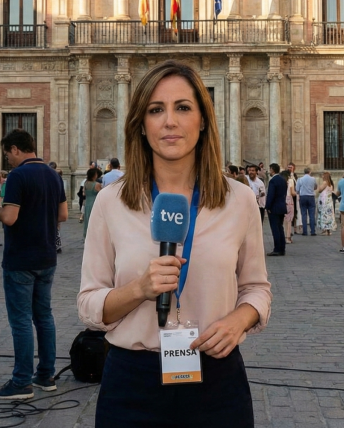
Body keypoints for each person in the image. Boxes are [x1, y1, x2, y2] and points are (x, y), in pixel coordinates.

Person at [77, 59, 271, 428]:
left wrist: (239, 320)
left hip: (217, 378)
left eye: (183, 107)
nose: (170, 121)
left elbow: (256, 289)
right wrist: (139, 289)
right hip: (132, 383)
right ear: (141, 125)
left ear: (202, 120)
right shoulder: (110, 202)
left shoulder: (239, 200)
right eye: (155, 109)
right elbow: (89, 304)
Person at [0, 129, 67, 400]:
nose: (7, 158)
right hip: (47, 256)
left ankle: (21, 381)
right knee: (44, 317)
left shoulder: (19, 175)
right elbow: (63, 215)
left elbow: (9, 218)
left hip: (21, 258)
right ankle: (46, 375)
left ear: (16, 149)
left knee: (20, 320)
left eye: (7, 152)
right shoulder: (53, 175)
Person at [265, 163, 288, 256]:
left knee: (275, 229)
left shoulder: (273, 181)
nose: (269, 171)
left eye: (270, 169)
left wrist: (268, 206)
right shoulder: (283, 180)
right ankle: (282, 248)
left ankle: (277, 249)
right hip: (282, 206)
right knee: (280, 228)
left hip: (274, 208)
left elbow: (271, 195)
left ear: (272, 170)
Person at [295, 168, 318, 237]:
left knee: (304, 214)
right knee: (311, 215)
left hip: (303, 197)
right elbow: (315, 187)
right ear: (310, 172)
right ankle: (313, 231)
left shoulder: (300, 179)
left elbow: (297, 189)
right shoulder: (313, 179)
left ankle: (305, 231)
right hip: (311, 197)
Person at [82, 168, 99, 237]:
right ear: (94, 175)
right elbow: (101, 193)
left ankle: (87, 234)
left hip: (87, 203)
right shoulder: (97, 184)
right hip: (94, 203)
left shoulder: (86, 183)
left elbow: (84, 194)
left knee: (87, 220)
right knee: (95, 221)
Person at [318, 172, 337, 236]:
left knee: (324, 214)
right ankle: (328, 231)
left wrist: (319, 186)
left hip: (324, 201)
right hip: (329, 201)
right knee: (328, 215)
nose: (322, 177)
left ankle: (325, 230)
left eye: (323, 175)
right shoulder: (331, 184)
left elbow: (319, 190)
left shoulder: (325, 183)